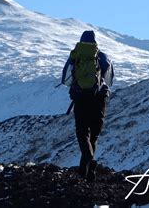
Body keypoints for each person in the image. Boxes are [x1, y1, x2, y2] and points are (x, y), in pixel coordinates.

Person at [61, 30, 114, 182]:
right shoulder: (103, 58)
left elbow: (65, 80)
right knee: (94, 135)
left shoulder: (75, 56)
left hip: (81, 100)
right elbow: (109, 82)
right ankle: (86, 171)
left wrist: (79, 84)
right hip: (99, 101)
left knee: (82, 132)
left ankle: (86, 165)